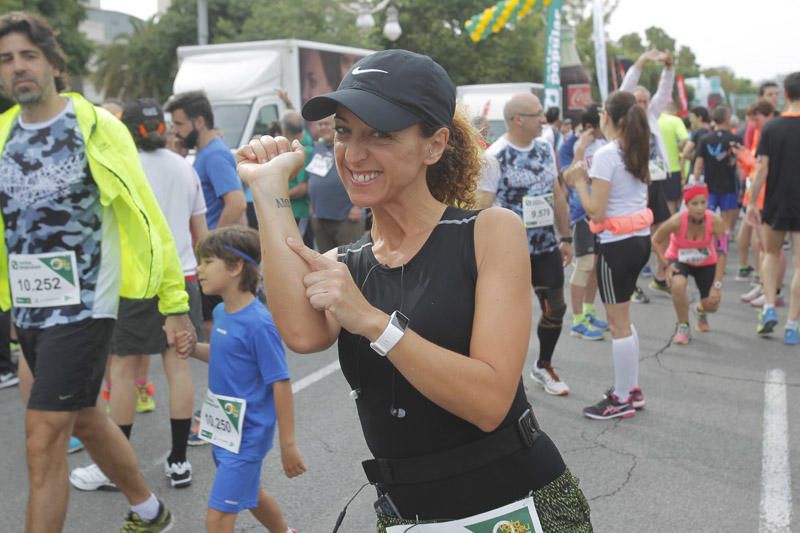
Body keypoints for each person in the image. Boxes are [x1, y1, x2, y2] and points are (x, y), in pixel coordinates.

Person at [238, 49, 591, 531]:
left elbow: (490, 404)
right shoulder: (348, 263)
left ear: (434, 144)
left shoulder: (489, 232)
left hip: (516, 505)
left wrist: (372, 322)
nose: (354, 153)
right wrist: (266, 188)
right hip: (407, 516)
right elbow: (300, 334)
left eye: (380, 133)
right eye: (344, 130)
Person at [0, 11, 196, 531]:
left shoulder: (95, 127)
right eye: (5, 59)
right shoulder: (2, 136)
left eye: (28, 55)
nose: (17, 67)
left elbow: (149, 219)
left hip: (86, 309)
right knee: (84, 416)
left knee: (43, 438)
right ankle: (150, 511)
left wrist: (174, 304)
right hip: (31, 311)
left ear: (52, 63)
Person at [69, 98, 208, 492]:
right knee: (178, 367)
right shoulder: (185, 168)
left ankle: (116, 467)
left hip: (134, 282)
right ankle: (179, 462)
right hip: (183, 277)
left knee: (124, 371)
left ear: (123, 127)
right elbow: (201, 232)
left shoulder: (117, 164)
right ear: (162, 127)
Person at [182, 226, 305, 533]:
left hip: (248, 434)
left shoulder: (259, 324)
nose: (199, 269)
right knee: (250, 495)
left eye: (208, 261)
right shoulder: (223, 312)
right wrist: (193, 349)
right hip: (223, 427)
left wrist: (288, 444)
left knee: (218, 517)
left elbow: (280, 382)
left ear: (236, 267)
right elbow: (227, 355)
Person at [563, 90, 652, 420]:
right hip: (638, 239)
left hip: (616, 243)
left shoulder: (608, 154)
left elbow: (595, 212)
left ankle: (622, 396)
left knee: (618, 324)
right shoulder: (639, 148)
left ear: (610, 118)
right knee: (624, 321)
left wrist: (577, 184)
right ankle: (632, 388)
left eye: (602, 112)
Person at [478, 92, 573, 397]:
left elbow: (557, 194)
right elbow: (482, 209)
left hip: (545, 246)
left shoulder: (545, 147)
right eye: (538, 114)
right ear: (518, 119)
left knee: (556, 307)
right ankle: (501, 375)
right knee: (508, 319)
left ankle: (543, 365)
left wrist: (566, 236)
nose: (544, 120)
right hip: (510, 252)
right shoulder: (494, 156)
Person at [166, 90, 246, 337]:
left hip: (211, 252)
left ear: (199, 122)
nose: (176, 131)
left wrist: (211, 244)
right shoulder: (204, 153)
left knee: (214, 327)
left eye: (179, 124)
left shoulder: (214, 154)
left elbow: (236, 202)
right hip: (205, 252)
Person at [746, 71, 800, 343]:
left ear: (786, 95)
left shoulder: (771, 127)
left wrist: (752, 202)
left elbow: (762, 169)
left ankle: (768, 306)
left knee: (770, 253)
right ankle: (792, 324)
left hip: (775, 201)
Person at [621, 49, 675, 299]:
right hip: (633, 183)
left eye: (645, 101)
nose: (642, 105)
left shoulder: (652, 116)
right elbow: (626, 87)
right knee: (636, 236)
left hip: (655, 181)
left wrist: (669, 68)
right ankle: (631, 283)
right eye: (638, 101)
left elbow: (664, 92)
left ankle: (660, 276)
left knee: (663, 228)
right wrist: (641, 62)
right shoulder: (626, 121)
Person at [652, 183, 726, 344]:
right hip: (679, 258)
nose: (700, 208)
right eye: (695, 203)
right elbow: (656, 240)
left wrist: (717, 285)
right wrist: (666, 265)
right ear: (686, 205)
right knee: (678, 285)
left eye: (703, 202)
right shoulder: (677, 221)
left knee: (712, 305)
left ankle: (700, 309)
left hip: (706, 261)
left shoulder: (716, 221)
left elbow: (722, 253)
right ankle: (683, 326)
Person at [560, 105, 609, 341]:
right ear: (590, 126)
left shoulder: (606, 142)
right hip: (581, 214)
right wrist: (580, 151)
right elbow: (568, 180)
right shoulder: (570, 145)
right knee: (585, 264)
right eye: (601, 125)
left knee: (596, 266)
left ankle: (589, 311)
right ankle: (577, 321)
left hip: (601, 212)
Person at [306, 114, 364, 251]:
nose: (322, 128)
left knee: (350, 262)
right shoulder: (318, 147)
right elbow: (313, 176)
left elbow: (363, 174)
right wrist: (312, 205)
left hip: (346, 218)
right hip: (320, 217)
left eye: (326, 124)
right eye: (320, 124)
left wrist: (359, 207)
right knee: (327, 263)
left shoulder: (349, 146)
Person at [692, 106, 743, 235]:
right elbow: (741, 164)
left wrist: (695, 181)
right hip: (729, 185)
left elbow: (699, 163)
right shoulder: (735, 139)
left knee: (707, 215)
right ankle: (722, 244)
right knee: (726, 218)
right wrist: (743, 185)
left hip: (709, 185)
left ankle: (708, 240)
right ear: (727, 119)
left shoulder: (705, 139)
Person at [281, 111, 314, 248]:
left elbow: (302, 188)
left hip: (299, 212)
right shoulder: (306, 141)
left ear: (284, 130)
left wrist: (278, 197)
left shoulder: (300, 151)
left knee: (301, 252)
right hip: (293, 212)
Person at [657, 102, 689, 214]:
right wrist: (680, 150)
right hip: (672, 167)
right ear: (675, 111)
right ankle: (672, 230)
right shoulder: (675, 120)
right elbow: (685, 139)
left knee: (656, 203)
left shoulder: (651, 120)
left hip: (654, 167)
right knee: (671, 202)